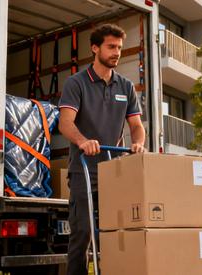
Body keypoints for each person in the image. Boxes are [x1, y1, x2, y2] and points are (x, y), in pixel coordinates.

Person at [57, 23, 146, 275]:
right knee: (83, 232)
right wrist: (83, 141)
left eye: (119, 47)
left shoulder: (125, 87)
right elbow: (65, 123)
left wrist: (138, 143)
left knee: (116, 232)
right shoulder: (76, 83)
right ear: (95, 48)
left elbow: (136, 126)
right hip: (83, 170)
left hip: (113, 172)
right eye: (111, 47)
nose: (117, 52)